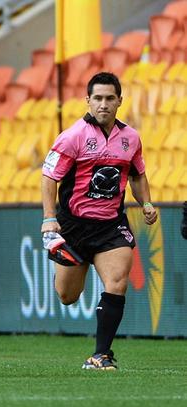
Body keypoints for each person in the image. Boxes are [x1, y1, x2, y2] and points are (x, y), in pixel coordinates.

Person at [41, 72, 158, 370]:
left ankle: (101, 354)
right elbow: (49, 177)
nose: (103, 104)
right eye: (98, 98)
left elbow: (137, 174)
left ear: (120, 100)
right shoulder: (72, 137)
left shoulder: (130, 138)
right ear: (88, 101)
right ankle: (61, 262)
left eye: (109, 98)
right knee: (67, 296)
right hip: (74, 227)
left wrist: (145, 202)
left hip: (111, 225)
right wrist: (49, 219)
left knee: (117, 282)